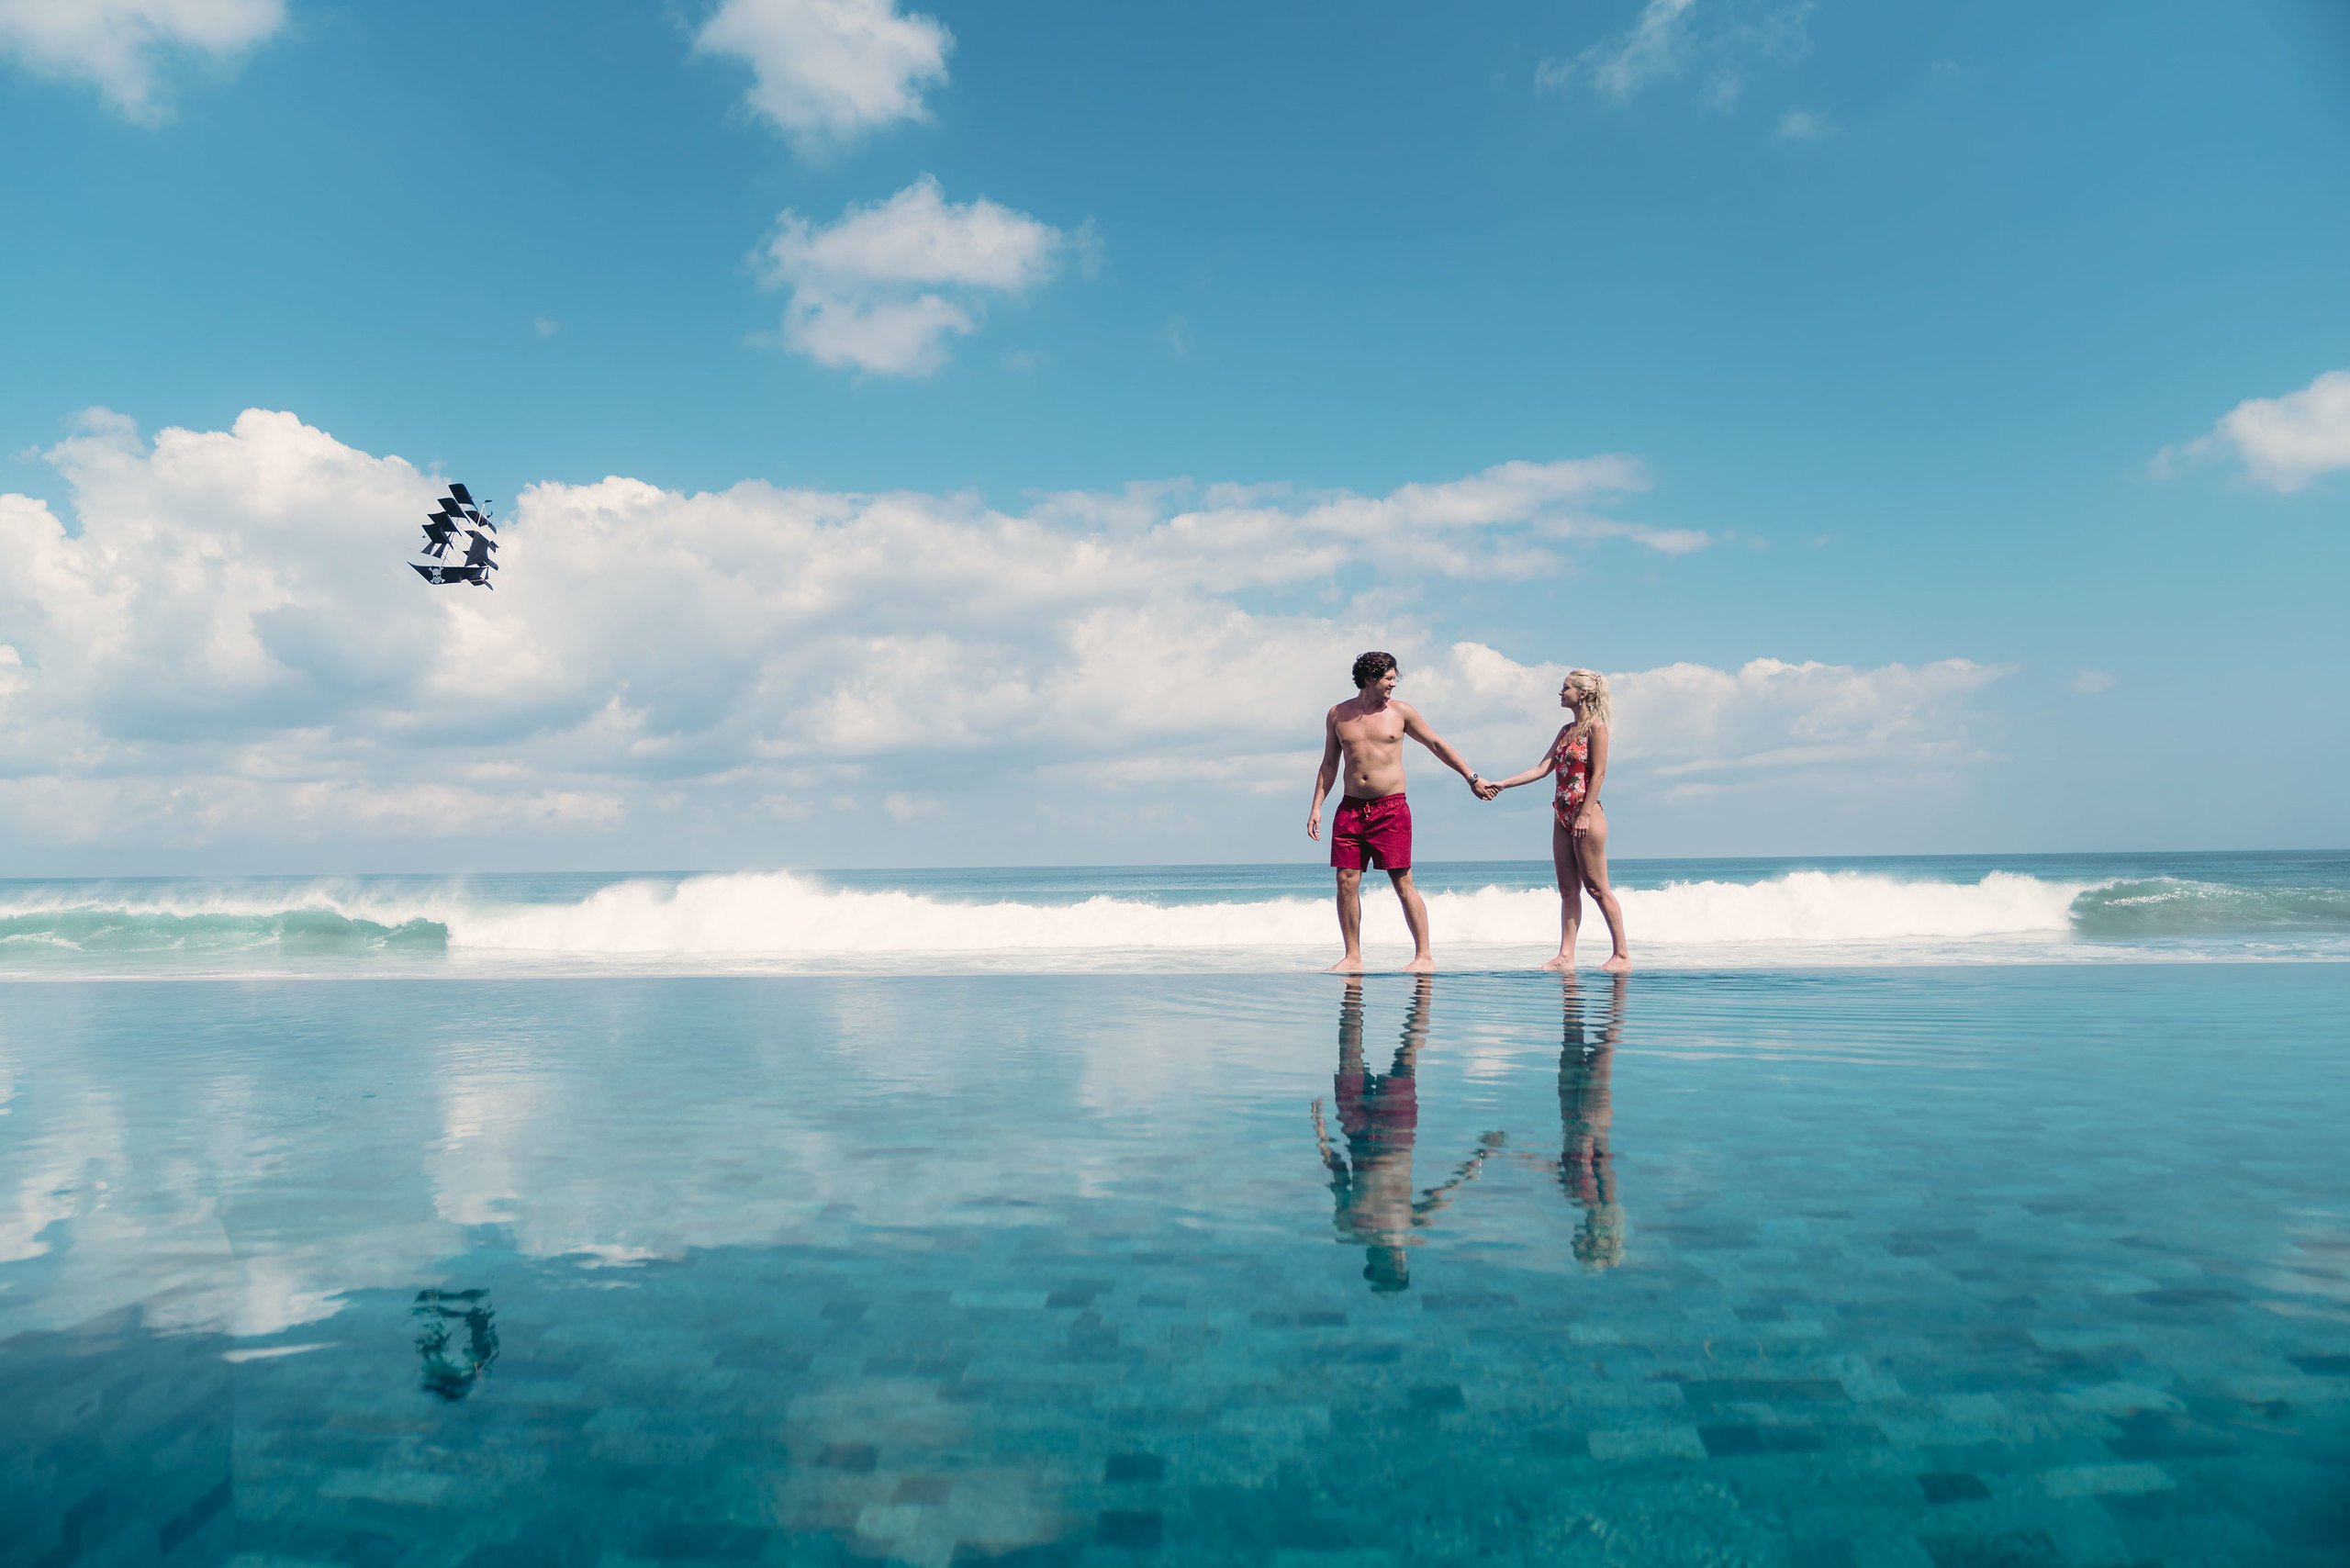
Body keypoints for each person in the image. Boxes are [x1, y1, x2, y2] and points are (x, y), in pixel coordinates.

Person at [1307, 651, 1489, 973]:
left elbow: (1436, 744)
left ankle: (1424, 956)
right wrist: (1317, 806)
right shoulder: (1338, 714)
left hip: (1390, 808)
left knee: (1402, 879)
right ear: (1369, 679)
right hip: (1350, 808)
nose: (1394, 684)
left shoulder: (1401, 712)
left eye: (1394, 678)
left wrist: (1471, 777)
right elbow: (1330, 763)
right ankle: (1353, 956)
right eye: (1388, 678)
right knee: (1345, 879)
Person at [1477, 667, 1629, 971]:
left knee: (1597, 888)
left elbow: (1599, 773)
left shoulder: (1596, 728)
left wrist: (1585, 813)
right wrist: (1503, 784)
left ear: (1582, 694)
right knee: (1568, 889)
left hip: (1586, 814)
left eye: (1566, 688)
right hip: (1561, 814)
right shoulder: (1565, 731)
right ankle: (1565, 956)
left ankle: (1622, 955)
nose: (1561, 692)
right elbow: (1542, 768)